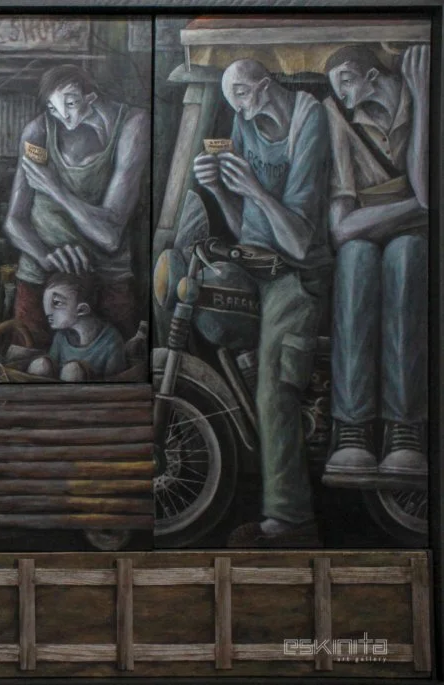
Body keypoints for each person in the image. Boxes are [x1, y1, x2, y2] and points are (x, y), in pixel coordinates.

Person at [192, 59, 333, 547]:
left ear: (266, 85)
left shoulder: (308, 120)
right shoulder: (244, 122)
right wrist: (217, 187)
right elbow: (248, 228)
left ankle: (291, 519)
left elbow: (297, 242)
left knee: (274, 384)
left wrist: (252, 186)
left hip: (295, 273)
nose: (239, 111)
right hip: (257, 264)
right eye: (233, 102)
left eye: (243, 96)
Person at [321, 45, 429, 483]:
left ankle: (405, 428)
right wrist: (413, 206)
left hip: (415, 238)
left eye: (346, 83)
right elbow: (342, 227)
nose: (343, 96)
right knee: (356, 258)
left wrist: (424, 98)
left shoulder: (417, 96)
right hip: (367, 232)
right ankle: (353, 427)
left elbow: (429, 189)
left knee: (406, 256)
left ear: (365, 75)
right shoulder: (337, 114)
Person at [3, 64, 149, 347]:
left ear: (91, 97)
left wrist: (55, 189)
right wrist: (45, 256)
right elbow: (14, 221)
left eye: (70, 103)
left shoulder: (132, 124)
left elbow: (109, 236)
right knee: (27, 362)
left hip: (105, 276)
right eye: (53, 108)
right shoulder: (38, 131)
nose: (62, 116)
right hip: (40, 275)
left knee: (113, 362)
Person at [26, 272, 127, 381]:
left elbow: (115, 381)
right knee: (40, 364)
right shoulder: (61, 337)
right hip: (59, 390)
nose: (48, 312)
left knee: (73, 370)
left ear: (82, 309)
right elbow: (52, 370)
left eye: (56, 303)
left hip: (92, 391)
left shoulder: (111, 340)